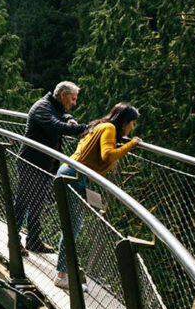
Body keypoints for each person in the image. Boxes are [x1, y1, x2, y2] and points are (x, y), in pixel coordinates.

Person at [55, 103, 142, 288]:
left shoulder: (101, 125)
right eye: (132, 123)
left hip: (72, 173)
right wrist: (132, 144)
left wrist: (123, 143)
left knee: (72, 227)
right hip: (75, 177)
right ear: (124, 122)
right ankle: (62, 276)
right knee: (72, 229)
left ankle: (64, 272)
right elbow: (107, 155)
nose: (132, 127)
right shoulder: (109, 128)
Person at [13, 82, 86, 254]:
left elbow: (61, 116)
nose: (74, 103)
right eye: (73, 99)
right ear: (63, 95)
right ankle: (13, 241)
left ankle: (33, 241)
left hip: (44, 163)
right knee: (23, 202)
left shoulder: (54, 106)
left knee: (37, 202)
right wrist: (84, 128)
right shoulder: (42, 107)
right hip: (31, 162)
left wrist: (68, 118)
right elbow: (55, 126)